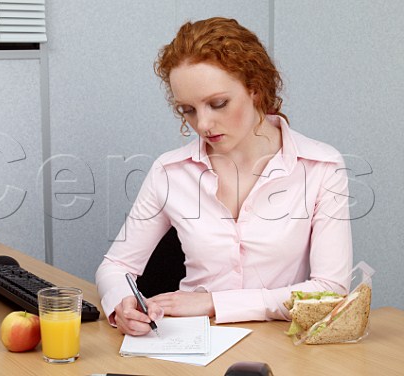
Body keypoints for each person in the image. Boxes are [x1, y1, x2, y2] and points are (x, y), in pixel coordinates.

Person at [95, 17, 352, 336]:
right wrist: (123, 304)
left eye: (218, 104)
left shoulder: (321, 166)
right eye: (187, 109)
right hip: (187, 344)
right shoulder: (169, 171)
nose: (202, 124)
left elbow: (330, 291)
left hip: (282, 349)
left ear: (256, 89)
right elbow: (115, 266)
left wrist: (215, 303)